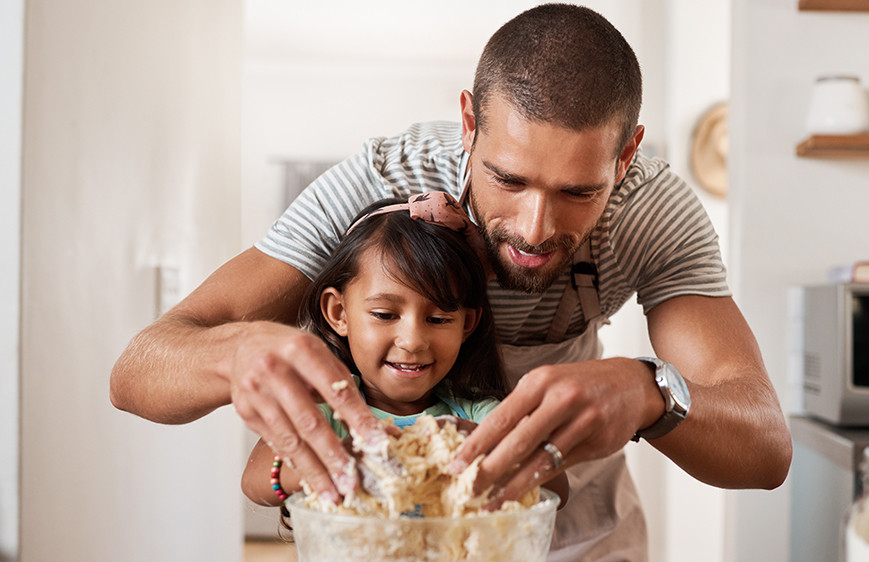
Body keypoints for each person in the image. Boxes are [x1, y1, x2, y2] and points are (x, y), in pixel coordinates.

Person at [110, 4, 791, 560]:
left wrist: (650, 391)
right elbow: (136, 371)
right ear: (469, 124)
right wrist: (235, 354)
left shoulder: (654, 214)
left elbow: (766, 447)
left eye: (578, 191)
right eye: (508, 178)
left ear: (629, 154)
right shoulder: (380, 183)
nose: (533, 228)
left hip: (581, 535)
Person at [241, 195, 567, 510]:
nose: (412, 341)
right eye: (385, 315)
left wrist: (480, 441)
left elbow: (558, 488)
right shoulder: (326, 414)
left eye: (438, 319)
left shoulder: (477, 416)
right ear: (339, 313)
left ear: (466, 324)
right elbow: (255, 481)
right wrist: (339, 461)